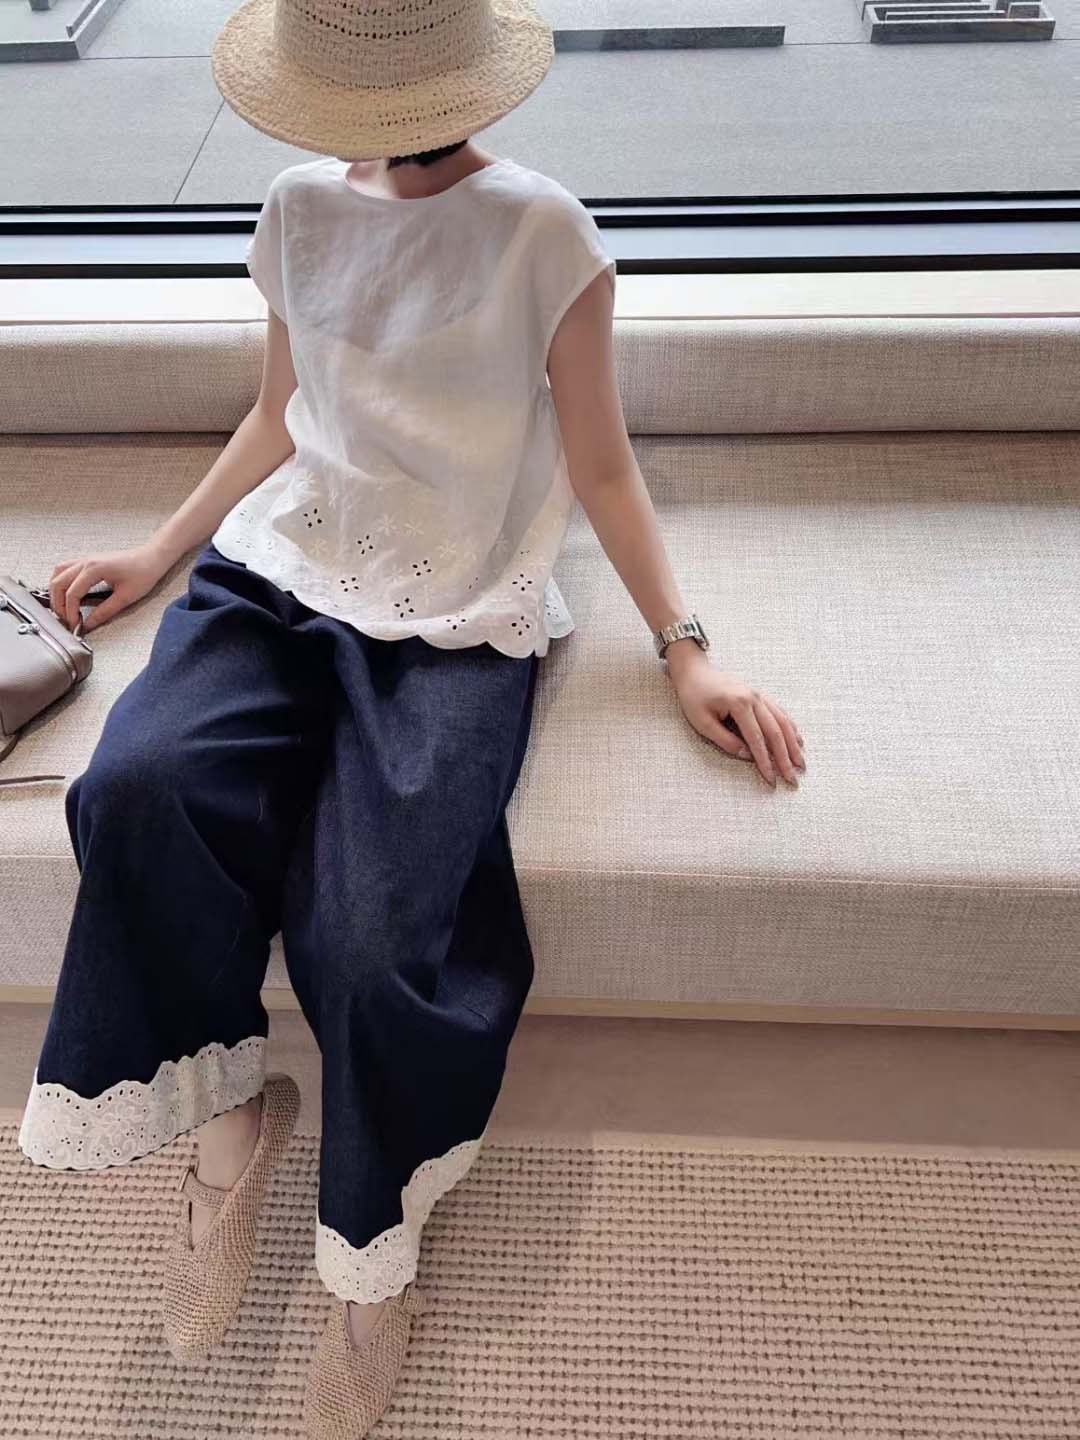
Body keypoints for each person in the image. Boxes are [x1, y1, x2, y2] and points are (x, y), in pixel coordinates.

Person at [15, 0, 807, 1435]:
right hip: (280, 571)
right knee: (132, 787)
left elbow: (602, 467)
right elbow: (280, 414)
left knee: (377, 937)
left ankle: (370, 1263)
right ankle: (231, 1130)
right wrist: (162, 551)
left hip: (459, 607)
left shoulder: (543, 233)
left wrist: (684, 652)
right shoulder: (296, 208)